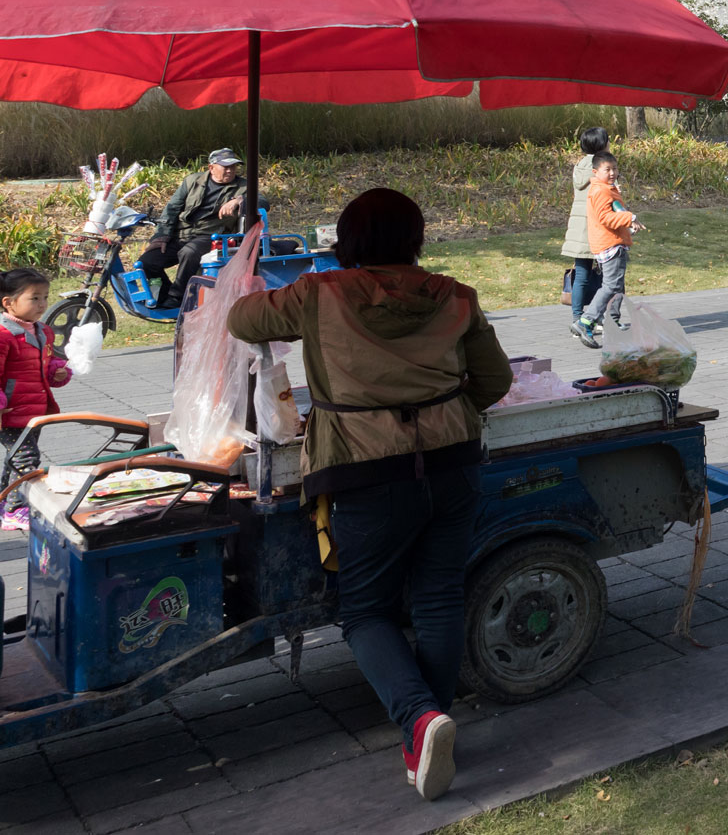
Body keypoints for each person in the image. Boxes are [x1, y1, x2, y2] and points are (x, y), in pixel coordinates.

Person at [227, 189, 513, 801]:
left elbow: (242, 319)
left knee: (364, 610)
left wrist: (249, 265)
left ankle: (418, 720)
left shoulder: (319, 293)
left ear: (346, 241)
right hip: (454, 464)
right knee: (438, 596)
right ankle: (430, 725)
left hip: (362, 472)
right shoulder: (455, 296)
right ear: (418, 238)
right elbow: (495, 380)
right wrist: (445, 410)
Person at [137, 148, 262, 307]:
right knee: (147, 262)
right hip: (181, 234)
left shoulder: (244, 186)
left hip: (211, 236)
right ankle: (164, 295)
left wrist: (240, 200)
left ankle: (177, 297)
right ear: (211, 168)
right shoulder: (192, 181)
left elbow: (263, 202)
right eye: (226, 167)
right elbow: (172, 209)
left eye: (234, 166)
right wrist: (161, 236)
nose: (230, 170)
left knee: (189, 253)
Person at [0, 268, 71, 521]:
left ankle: (4, 501)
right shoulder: (3, 334)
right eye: (34, 298)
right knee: (27, 460)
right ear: (8, 303)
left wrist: (57, 372)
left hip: (33, 410)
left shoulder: (42, 331)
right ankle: (16, 510)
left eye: (45, 297)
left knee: (16, 457)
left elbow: (45, 364)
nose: (42, 304)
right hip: (10, 413)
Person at [573, 154, 639, 348]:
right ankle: (585, 321)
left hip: (611, 242)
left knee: (617, 285)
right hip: (610, 245)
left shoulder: (604, 189)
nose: (612, 173)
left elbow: (613, 213)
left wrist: (627, 224)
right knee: (611, 285)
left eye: (615, 169)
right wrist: (628, 218)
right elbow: (606, 218)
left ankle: (611, 321)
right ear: (595, 172)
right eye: (607, 170)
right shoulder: (601, 191)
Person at [559, 127, 608, 330]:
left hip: (579, 227)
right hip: (597, 226)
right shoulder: (601, 167)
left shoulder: (579, 166)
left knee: (581, 274)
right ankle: (596, 316)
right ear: (601, 145)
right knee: (607, 275)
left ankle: (577, 318)